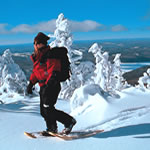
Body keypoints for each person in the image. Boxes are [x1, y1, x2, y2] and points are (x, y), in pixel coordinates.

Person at [27, 32, 76, 134]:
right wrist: (31, 83)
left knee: (48, 108)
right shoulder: (38, 56)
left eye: (37, 43)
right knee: (44, 111)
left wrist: (50, 84)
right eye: (36, 43)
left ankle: (68, 121)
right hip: (43, 86)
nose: (36, 45)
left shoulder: (50, 55)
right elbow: (36, 72)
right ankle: (52, 128)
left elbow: (53, 70)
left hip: (51, 85)